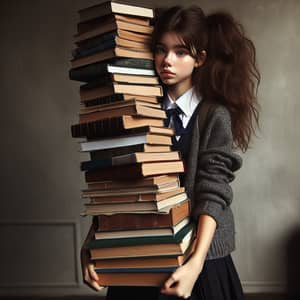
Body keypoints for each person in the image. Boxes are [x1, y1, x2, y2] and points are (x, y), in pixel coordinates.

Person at [81, 5, 260, 300]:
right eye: (161, 50)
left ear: (199, 58)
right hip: (143, 250)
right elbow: (117, 185)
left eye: (181, 52)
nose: (167, 61)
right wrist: (92, 245)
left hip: (200, 255)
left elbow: (213, 190)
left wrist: (196, 264)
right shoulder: (138, 111)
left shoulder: (214, 115)